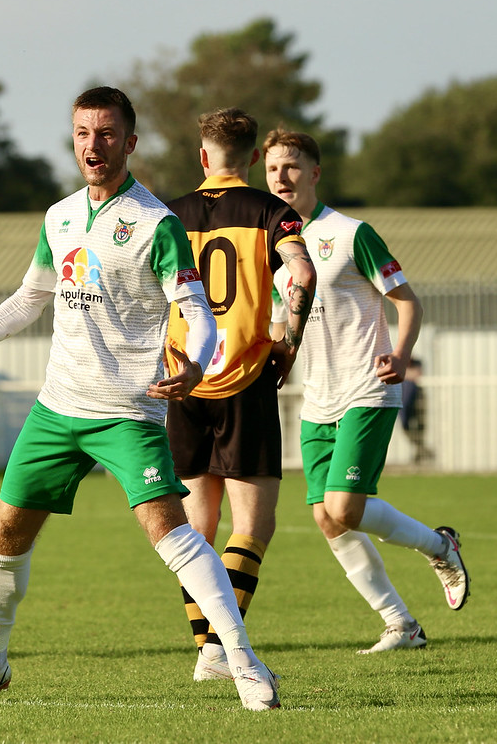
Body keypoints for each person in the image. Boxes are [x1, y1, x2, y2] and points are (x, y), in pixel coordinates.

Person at [0, 87, 280, 711]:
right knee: (5, 531)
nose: (93, 144)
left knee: (170, 530)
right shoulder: (58, 217)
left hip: (126, 410)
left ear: (129, 143)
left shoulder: (156, 222)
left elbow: (194, 306)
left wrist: (196, 360)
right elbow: (31, 297)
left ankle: (242, 662)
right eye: (83, 132)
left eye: (107, 134)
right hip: (57, 408)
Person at [264, 128, 470, 653]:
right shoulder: (275, 247)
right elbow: (280, 321)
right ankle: (400, 623)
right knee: (324, 516)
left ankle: (439, 546)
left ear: (314, 172)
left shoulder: (352, 233)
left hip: (367, 387)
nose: (280, 177)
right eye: (270, 170)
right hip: (317, 397)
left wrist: (400, 356)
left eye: (290, 166)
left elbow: (407, 302)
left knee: (346, 507)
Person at [164, 108, 316, 680]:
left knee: (193, 530)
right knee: (253, 526)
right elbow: (299, 275)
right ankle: (215, 651)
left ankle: (207, 649)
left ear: (203, 157)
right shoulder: (271, 212)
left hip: (183, 377)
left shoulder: (167, 215)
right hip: (244, 378)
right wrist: (289, 341)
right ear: (253, 159)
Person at [399, 358, 435, 464]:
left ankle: (420, 453)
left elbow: (416, 375)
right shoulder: (398, 360)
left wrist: (403, 373)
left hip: (418, 399)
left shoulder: (417, 362)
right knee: (405, 426)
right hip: (404, 400)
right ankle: (422, 449)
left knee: (420, 427)